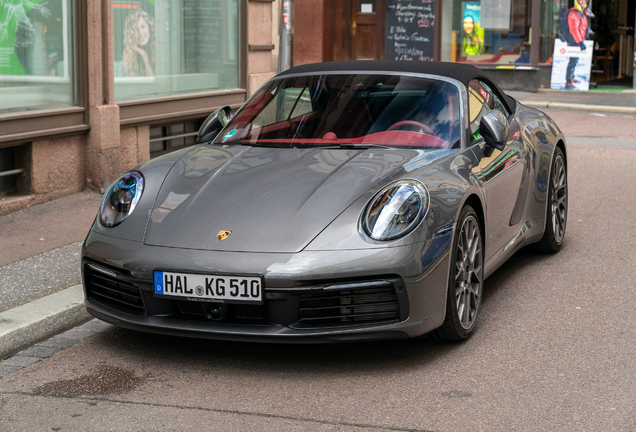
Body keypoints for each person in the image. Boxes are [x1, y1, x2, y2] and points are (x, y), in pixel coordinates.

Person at [564, 0, 589, 88]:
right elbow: (574, 30)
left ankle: (572, 77)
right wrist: (580, 42)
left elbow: (583, 26)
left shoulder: (582, 12)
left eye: (584, 0)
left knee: (575, 61)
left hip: (578, 41)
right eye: (580, 0)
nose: (582, 2)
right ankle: (568, 81)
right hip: (574, 41)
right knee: (572, 61)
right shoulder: (574, 13)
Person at [123, 10, 155, 77]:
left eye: (143, 27)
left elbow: (154, 84)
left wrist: (145, 58)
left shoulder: (158, 48)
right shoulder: (132, 55)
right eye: (135, 30)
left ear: (149, 26)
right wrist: (144, 55)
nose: (140, 33)